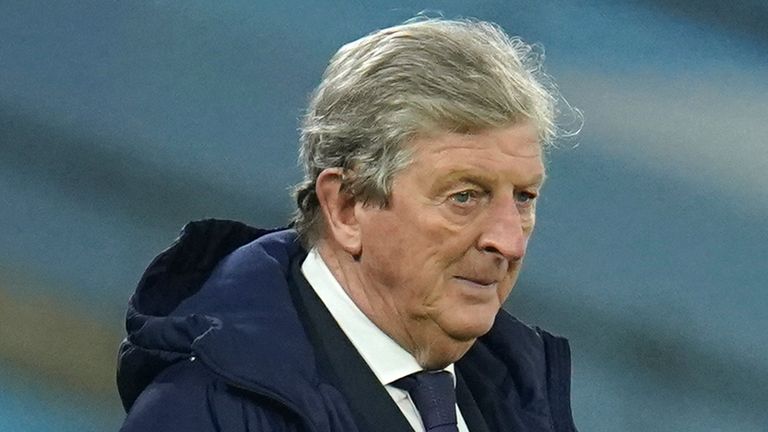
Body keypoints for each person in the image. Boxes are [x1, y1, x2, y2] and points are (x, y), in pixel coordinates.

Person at [117, 17, 578, 432]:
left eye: (523, 197)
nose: (510, 242)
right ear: (346, 208)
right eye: (464, 197)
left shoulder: (522, 396)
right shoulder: (204, 414)